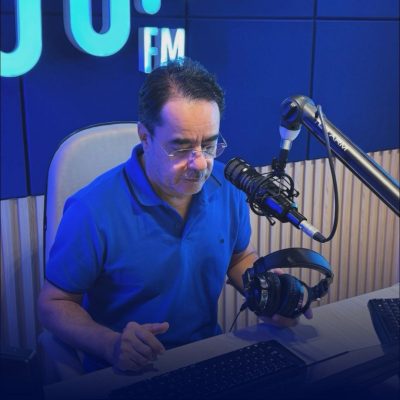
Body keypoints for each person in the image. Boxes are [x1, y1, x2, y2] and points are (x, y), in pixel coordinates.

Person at [38, 57, 311, 378]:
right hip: (126, 372)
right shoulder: (91, 210)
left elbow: (239, 257)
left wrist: (268, 295)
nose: (200, 164)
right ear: (144, 136)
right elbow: (54, 303)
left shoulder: (228, 186)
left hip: (208, 360)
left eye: (209, 145)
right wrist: (110, 344)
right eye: (181, 148)